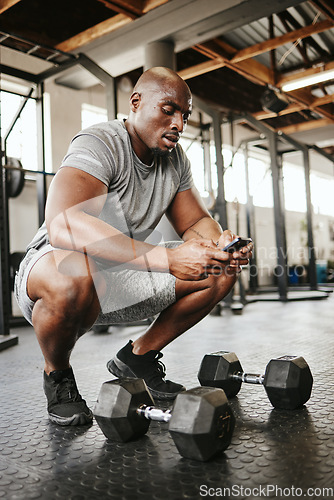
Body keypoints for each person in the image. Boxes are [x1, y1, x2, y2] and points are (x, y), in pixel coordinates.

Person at [14, 66, 252, 426]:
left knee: (219, 269)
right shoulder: (100, 142)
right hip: (56, 270)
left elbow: (194, 223)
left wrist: (220, 243)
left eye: (184, 115)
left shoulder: (175, 159)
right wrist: (167, 258)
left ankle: (138, 357)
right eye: (168, 110)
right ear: (136, 103)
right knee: (75, 273)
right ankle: (58, 375)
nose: (179, 124)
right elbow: (63, 224)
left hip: (121, 275)